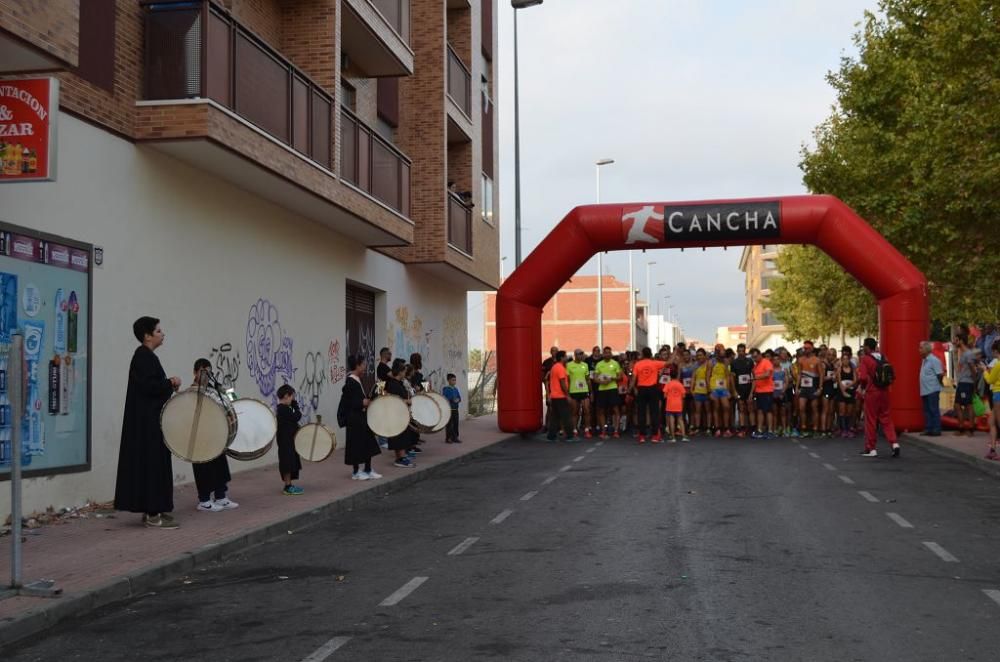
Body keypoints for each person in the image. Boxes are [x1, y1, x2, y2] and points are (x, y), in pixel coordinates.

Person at [114, 316, 183, 529]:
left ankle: (154, 509)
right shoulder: (143, 357)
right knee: (152, 466)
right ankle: (153, 514)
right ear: (147, 335)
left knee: (154, 465)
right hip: (147, 426)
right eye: (159, 330)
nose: (163, 334)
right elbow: (150, 388)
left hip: (150, 422)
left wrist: (166, 385)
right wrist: (170, 382)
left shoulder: (146, 357)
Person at [191, 358, 237, 512]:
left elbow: (230, 400)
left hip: (216, 436)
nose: (206, 375)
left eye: (209, 372)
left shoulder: (215, 389)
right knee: (203, 469)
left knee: (220, 467)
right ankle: (204, 500)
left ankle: (221, 496)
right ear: (195, 373)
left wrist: (231, 408)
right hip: (200, 437)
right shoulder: (191, 391)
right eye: (203, 372)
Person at [342, 354, 382, 480]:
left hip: (361, 417)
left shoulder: (357, 380)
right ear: (357, 365)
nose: (365, 367)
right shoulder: (350, 381)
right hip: (354, 419)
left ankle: (368, 469)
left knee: (367, 443)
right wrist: (363, 402)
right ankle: (355, 472)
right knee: (356, 445)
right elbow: (351, 402)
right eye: (363, 365)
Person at [858, 337, 900, 458]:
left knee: (871, 420)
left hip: (872, 392)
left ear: (866, 347)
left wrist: (862, 387)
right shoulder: (883, 357)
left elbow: (863, 377)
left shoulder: (866, 359)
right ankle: (894, 443)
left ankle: (871, 448)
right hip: (885, 391)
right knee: (886, 419)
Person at [630, 347, 668, 443]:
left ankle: (642, 436)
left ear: (642, 354)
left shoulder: (638, 364)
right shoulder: (655, 363)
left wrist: (629, 390)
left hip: (641, 389)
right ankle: (655, 435)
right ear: (650, 354)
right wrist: (675, 352)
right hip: (653, 389)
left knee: (641, 412)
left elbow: (633, 379)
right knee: (654, 412)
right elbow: (669, 363)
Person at [385, 360, 418, 466]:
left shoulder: (398, 383)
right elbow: (393, 399)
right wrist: (407, 401)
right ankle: (401, 458)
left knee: (401, 436)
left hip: (400, 414)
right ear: (399, 372)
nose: (405, 374)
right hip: (396, 414)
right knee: (400, 437)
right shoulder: (393, 384)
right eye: (404, 371)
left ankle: (400, 458)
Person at [276, 384, 305, 493]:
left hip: (289, 440)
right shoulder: (283, 409)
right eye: (292, 396)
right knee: (287, 463)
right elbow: (297, 416)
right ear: (286, 396)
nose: (293, 399)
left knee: (291, 462)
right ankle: (287, 486)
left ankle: (289, 485)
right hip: (285, 441)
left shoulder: (285, 408)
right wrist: (296, 405)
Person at [952, 333, 979, 437]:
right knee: (957, 405)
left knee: (968, 405)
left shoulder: (968, 353)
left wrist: (974, 381)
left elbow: (973, 368)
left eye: (956, 340)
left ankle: (969, 429)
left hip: (966, 383)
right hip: (962, 382)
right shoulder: (963, 353)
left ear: (961, 341)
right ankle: (962, 427)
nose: (954, 342)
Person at [593, 346, 623, 439]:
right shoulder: (599, 364)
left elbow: (620, 377)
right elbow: (595, 378)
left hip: (612, 389)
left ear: (611, 354)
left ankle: (616, 431)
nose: (607, 354)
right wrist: (601, 381)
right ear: (603, 354)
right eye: (605, 352)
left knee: (615, 409)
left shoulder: (615, 363)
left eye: (609, 353)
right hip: (602, 390)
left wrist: (611, 378)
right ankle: (603, 431)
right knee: (601, 410)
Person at [546, 350, 575, 442]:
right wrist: (567, 395)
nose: (567, 358)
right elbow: (562, 383)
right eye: (565, 356)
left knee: (555, 417)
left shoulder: (555, 367)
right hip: (560, 396)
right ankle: (570, 436)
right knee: (566, 416)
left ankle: (551, 436)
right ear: (562, 358)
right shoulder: (560, 368)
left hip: (554, 396)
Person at [795, 341, 822, 438]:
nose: (805, 350)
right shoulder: (800, 360)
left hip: (814, 387)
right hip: (804, 387)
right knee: (802, 408)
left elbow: (821, 375)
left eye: (807, 348)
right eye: (804, 348)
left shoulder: (817, 360)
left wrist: (820, 388)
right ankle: (804, 428)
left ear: (812, 348)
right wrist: (797, 387)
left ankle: (815, 429)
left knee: (814, 408)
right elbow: (799, 374)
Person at [918, 341, 944, 437]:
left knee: (933, 409)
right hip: (925, 390)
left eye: (921, 348)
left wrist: (938, 384)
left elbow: (940, 374)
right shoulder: (924, 360)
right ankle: (929, 428)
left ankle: (936, 429)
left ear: (926, 349)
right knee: (927, 410)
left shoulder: (934, 360)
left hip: (932, 389)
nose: (919, 350)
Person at [566, 349, 593, 438]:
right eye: (578, 354)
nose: (580, 356)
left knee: (587, 410)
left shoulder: (585, 365)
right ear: (575, 355)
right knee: (575, 411)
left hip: (584, 391)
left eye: (582, 354)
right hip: (573, 391)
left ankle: (587, 430)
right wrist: (567, 393)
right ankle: (574, 430)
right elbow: (568, 380)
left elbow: (588, 379)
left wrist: (591, 392)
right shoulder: (569, 365)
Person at [731, 343, 755, 437]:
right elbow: (732, 378)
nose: (741, 352)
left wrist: (752, 392)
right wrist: (734, 391)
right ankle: (742, 428)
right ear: (737, 351)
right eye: (739, 351)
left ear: (745, 351)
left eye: (743, 351)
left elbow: (753, 376)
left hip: (749, 389)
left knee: (750, 408)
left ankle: (753, 428)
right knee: (741, 408)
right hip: (739, 389)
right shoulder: (734, 363)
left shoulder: (750, 361)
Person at [982, 341, 1000, 460]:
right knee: (992, 422)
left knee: (998, 422)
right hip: (997, 393)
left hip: (997, 393)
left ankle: (994, 450)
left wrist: (984, 370)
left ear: (995, 351)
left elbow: (990, 379)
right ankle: (993, 449)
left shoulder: (998, 364)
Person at [708, 345, 732, 437]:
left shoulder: (726, 361)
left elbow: (727, 376)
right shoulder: (711, 362)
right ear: (717, 352)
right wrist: (709, 391)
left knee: (726, 407)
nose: (722, 354)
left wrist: (729, 390)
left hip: (724, 388)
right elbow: (707, 376)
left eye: (723, 352)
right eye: (721, 352)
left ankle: (726, 428)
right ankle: (717, 428)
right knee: (716, 408)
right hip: (714, 387)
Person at [750, 348, 774, 439]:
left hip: (767, 391)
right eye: (753, 358)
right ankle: (759, 430)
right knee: (759, 411)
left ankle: (770, 431)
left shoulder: (766, 362)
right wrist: (751, 393)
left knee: (768, 411)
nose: (755, 359)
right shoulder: (755, 366)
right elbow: (754, 381)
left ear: (760, 354)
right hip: (759, 391)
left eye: (756, 357)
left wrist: (755, 377)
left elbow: (767, 374)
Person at [836, 347, 859, 437]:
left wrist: (848, 386)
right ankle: (843, 429)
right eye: (844, 359)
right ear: (841, 360)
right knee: (842, 411)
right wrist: (843, 390)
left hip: (850, 391)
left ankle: (848, 429)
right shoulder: (839, 370)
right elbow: (839, 381)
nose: (845, 361)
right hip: (842, 392)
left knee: (849, 411)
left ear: (849, 360)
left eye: (847, 359)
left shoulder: (852, 369)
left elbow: (855, 380)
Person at [662, 373, 689, 442]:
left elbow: (664, 395)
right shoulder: (680, 384)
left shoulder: (668, 384)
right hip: (678, 404)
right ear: (677, 376)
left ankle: (673, 438)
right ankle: (684, 437)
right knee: (680, 420)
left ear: (670, 377)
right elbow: (684, 396)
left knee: (672, 421)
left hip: (670, 404)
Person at [442, 373, 462, 443]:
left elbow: (459, 398)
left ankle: (455, 437)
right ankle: (448, 438)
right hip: (449, 410)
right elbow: (444, 398)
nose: (454, 381)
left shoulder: (456, 389)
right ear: (449, 380)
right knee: (449, 425)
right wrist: (452, 400)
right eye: (453, 380)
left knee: (456, 424)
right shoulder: (446, 389)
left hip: (456, 409)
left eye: (455, 380)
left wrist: (458, 400)